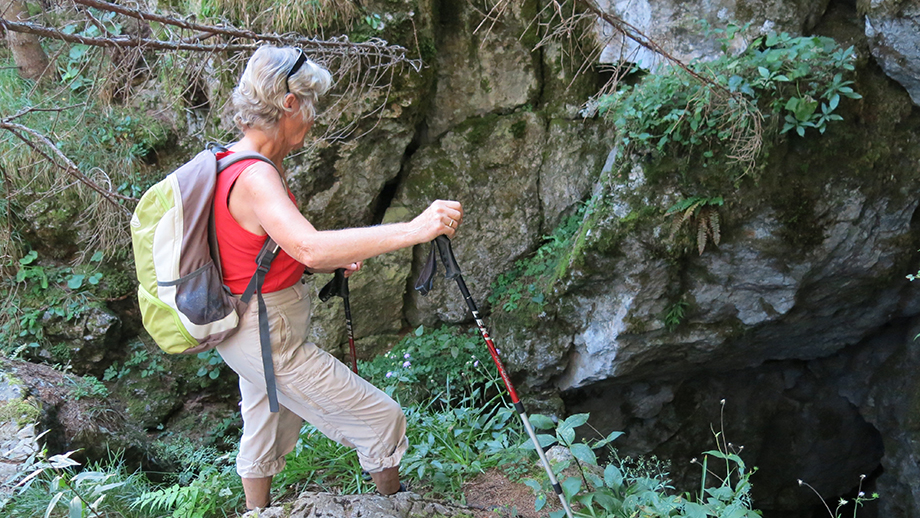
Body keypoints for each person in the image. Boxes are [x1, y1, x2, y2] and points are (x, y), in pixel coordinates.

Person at [213, 45, 463, 509]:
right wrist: (414, 229)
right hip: (266, 332)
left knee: (268, 420)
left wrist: (314, 262)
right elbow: (308, 242)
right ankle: (397, 506)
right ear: (289, 104)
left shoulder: (224, 161)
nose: (312, 121)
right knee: (380, 418)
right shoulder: (255, 176)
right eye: (310, 108)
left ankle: (257, 512)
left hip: (241, 322)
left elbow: (257, 247)